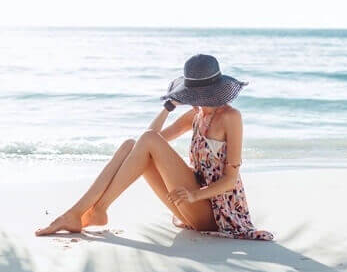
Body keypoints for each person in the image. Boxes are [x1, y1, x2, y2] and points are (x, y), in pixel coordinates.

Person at [35, 54, 273, 240]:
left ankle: (93, 211)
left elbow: (230, 180)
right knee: (131, 145)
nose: (196, 99)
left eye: (198, 93)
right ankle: (81, 212)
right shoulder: (195, 115)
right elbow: (147, 140)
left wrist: (193, 195)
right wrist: (168, 107)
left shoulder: (231, 117)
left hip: (216, 212)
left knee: (146, 141)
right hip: (191, 204)